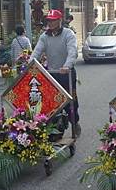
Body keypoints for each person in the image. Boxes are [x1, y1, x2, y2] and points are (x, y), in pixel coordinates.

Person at [31, 9, 81, 137]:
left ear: (59, 20)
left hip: (66, 73)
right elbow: (36, 52)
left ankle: (74, 122)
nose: (51, 23)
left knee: (71, 102)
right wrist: (30, 65)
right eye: (49, 21)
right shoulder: (44, 36)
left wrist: (67, 66)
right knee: (51, 103)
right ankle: (55, 127)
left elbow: (72, 51)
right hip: (52, 74)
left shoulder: (68, 34)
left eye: (54, 20)